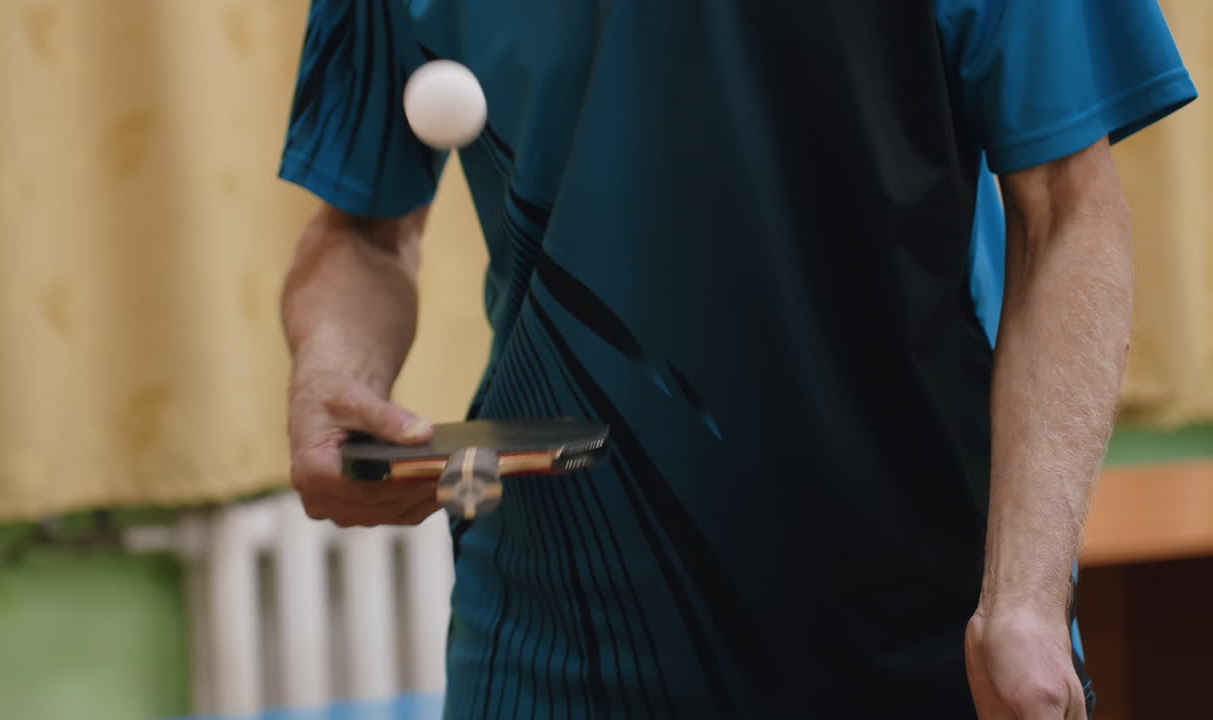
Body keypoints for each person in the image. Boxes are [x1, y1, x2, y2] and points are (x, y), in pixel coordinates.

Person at [276, 1, 1197, 717]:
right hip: (554, 640)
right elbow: (362, 223)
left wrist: (1028, 599)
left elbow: (1069, 211)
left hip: (923, 631)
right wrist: (332, 373)